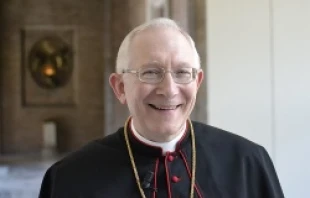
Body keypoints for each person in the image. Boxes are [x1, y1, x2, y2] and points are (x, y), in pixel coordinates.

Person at [38, 18, 284, 198]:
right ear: (120, 87)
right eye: (151, 72)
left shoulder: (248, 163)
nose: (169, 89)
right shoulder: (70, 178)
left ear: (197, 83)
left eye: (182, 73)